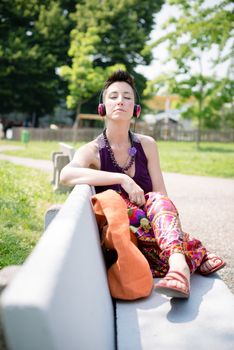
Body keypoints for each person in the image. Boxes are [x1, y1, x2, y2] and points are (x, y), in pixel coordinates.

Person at [60, 69, 225, 299]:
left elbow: (162, 197)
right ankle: (194, 253)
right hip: (129, 239)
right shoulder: (93, 150)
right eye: (114, 96)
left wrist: (164, 223)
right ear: (102, 108)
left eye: (127, 97)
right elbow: (66, 175)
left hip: (157, 230)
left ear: (135, 109)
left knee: (157, 199)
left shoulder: (148, 145)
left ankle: (179, 268)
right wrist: (122, 179)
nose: (121, 101)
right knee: (131, 213)